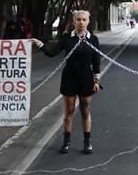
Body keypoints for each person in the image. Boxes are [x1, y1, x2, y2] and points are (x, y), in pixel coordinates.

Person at [31, 10, 101, 154]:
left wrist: (96, 81)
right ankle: (66, 142)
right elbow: (52, 52)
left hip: (86, 78)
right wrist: (40, 44)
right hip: (69, 77)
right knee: (69, 110)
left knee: (85, 110)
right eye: (78, 20)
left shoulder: (93, 39)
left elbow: (96, 61)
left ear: (88, 21)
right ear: (74, 21)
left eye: (84, 20)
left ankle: (87, 142)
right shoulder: (66, 38)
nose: (81, 22)